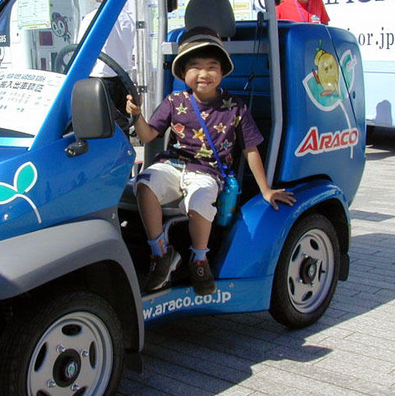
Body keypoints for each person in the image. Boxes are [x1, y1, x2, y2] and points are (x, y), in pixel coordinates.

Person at [126, 27, 296, 295]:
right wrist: (137, 115)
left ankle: (199, 259)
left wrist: (265, 189)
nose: (204, 73)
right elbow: (148, 135)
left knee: (201, 198)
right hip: (173, 165)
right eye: (195, 67)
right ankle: (161, 253)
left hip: (208, 172)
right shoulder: (174, 101)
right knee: (144, 184)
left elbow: (251, 149)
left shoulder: (235, 106)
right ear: (184, 74)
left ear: (222, 71)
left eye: (211, 66)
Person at [77, 0, 135, 126]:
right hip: (123, 81)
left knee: (100, 129)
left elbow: (81, 54)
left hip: (99, 83)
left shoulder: (91, 19)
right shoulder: (126, 18)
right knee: (122, 128)